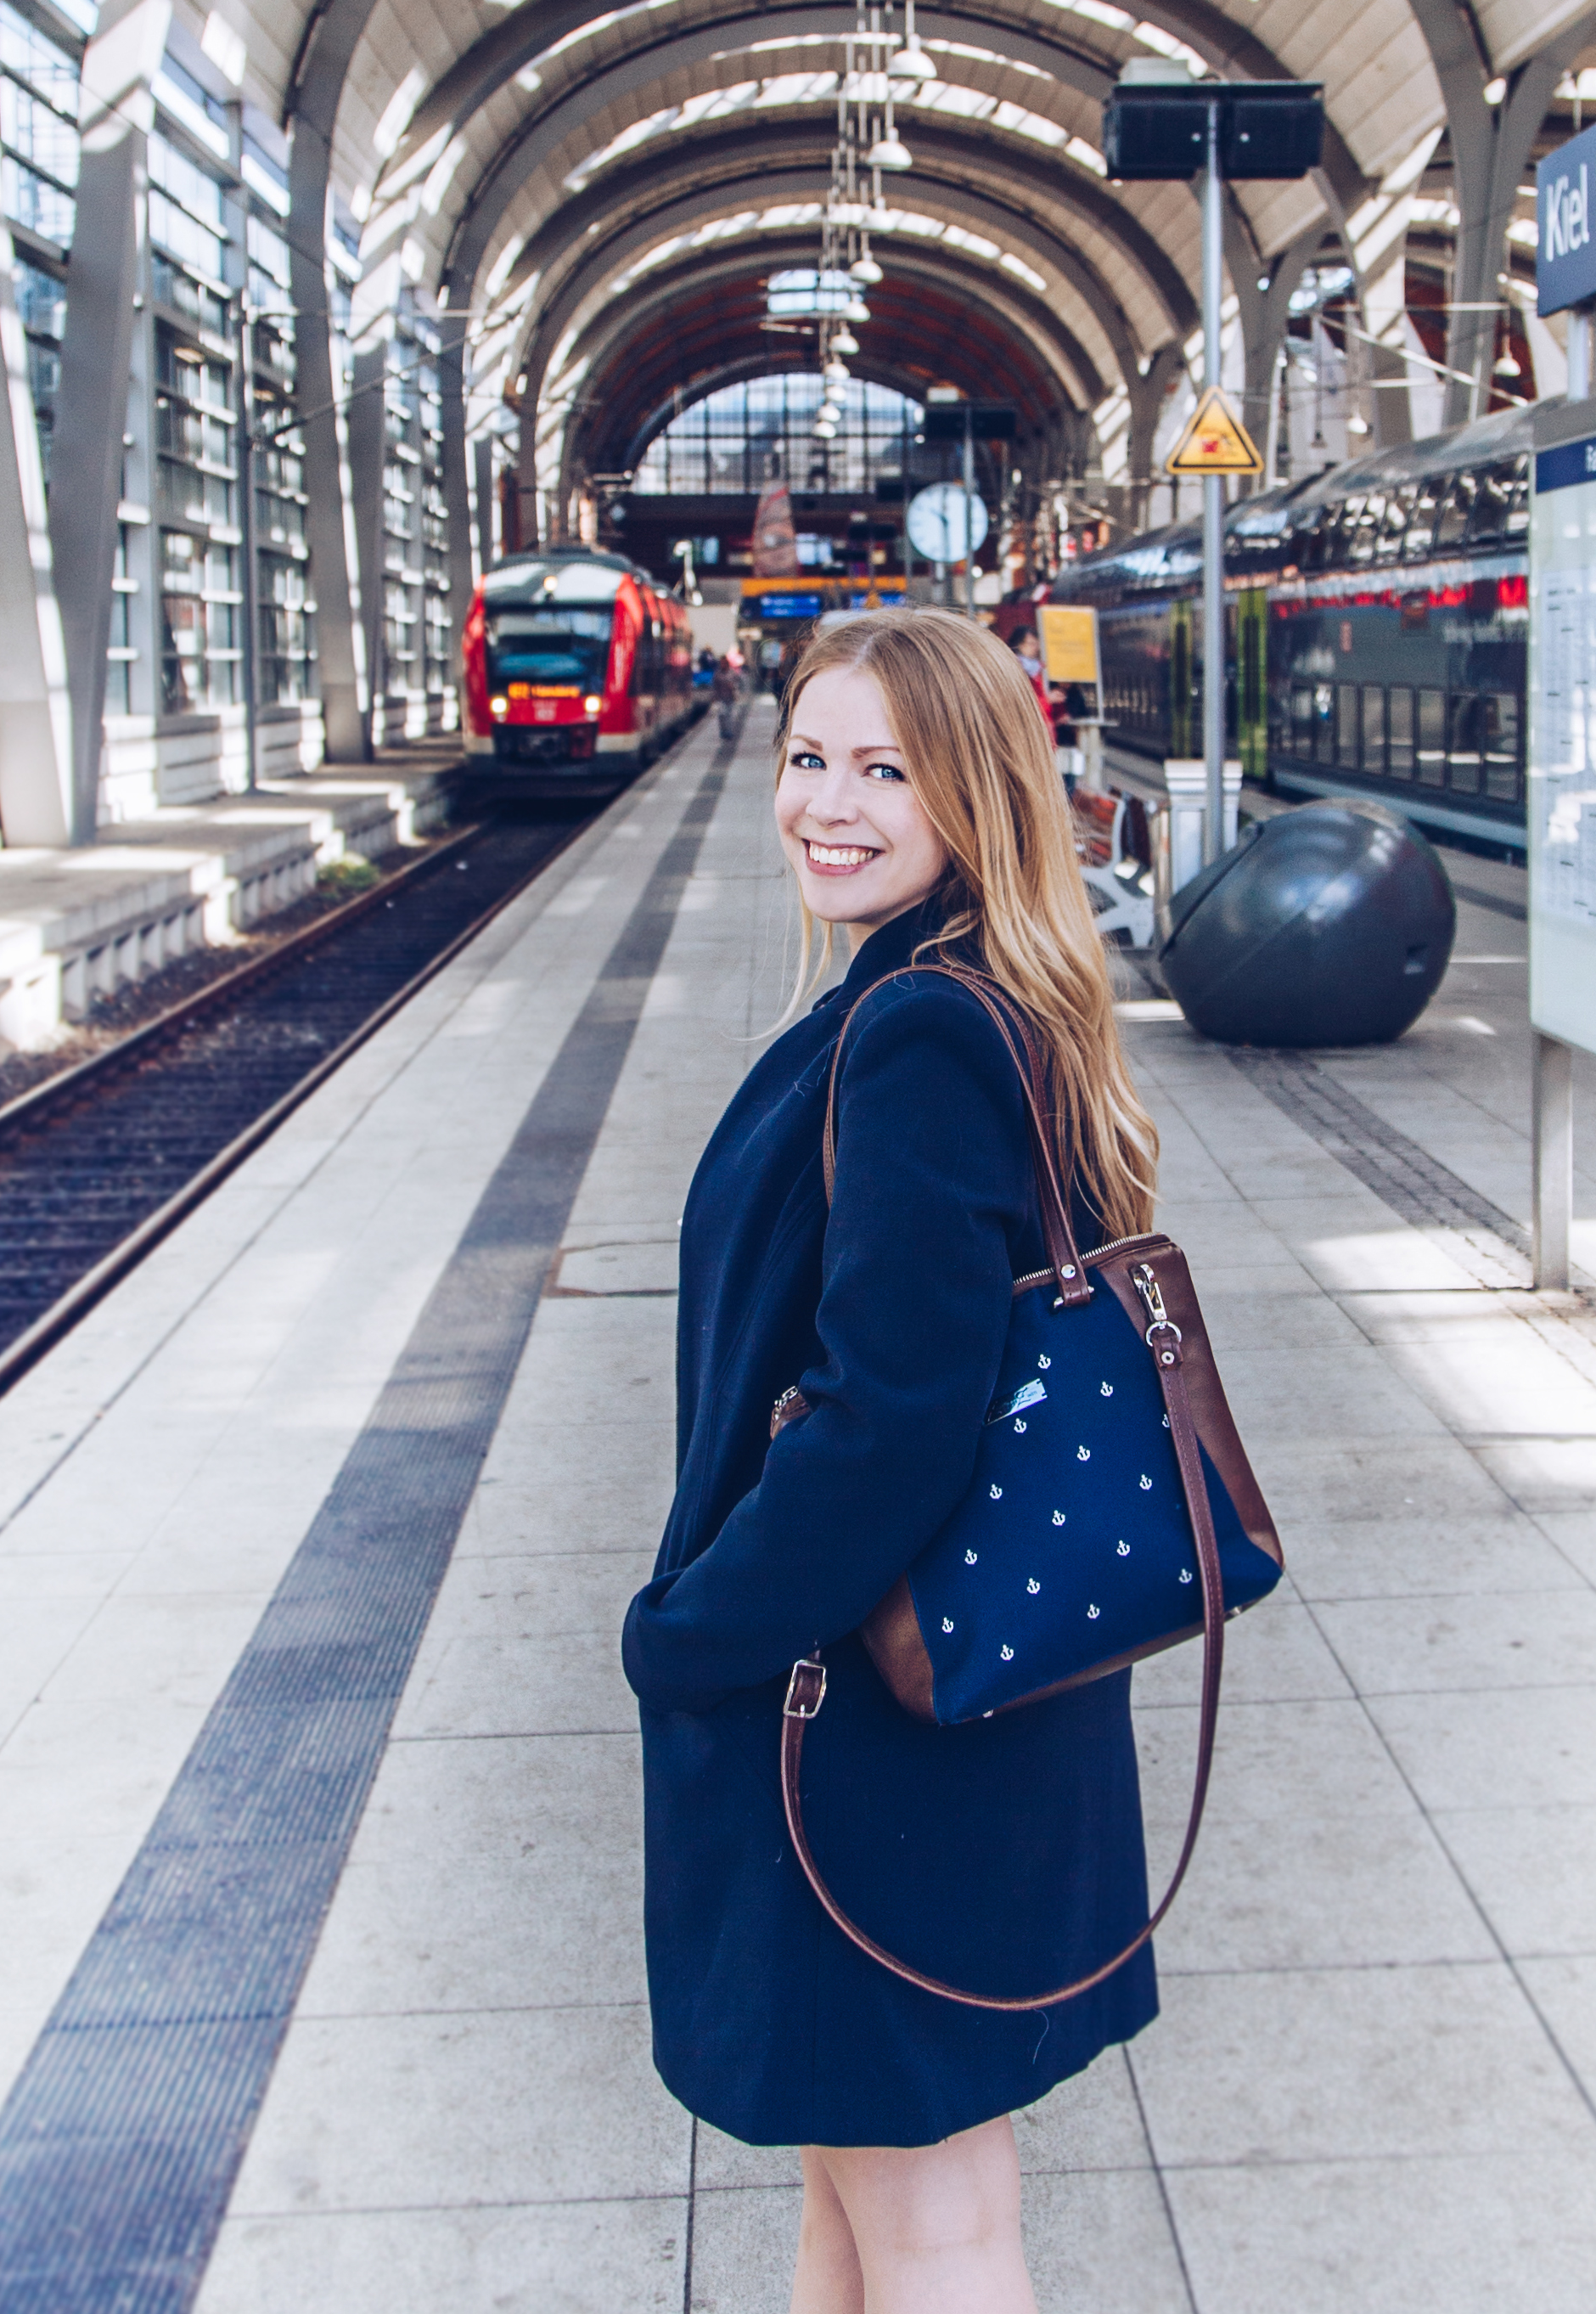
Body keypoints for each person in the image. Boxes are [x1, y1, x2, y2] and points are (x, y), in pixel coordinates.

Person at [623, 607, 1160, 2311]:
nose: (824, 804)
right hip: (950, 1721)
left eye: (883, 768)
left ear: (973, 793)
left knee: (931, 2234)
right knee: (856, 2202)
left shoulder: (920, 1034)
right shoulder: (975, 996)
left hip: (862, 1731)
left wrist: (690, 1632)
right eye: (805, 758)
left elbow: (891, 1419)